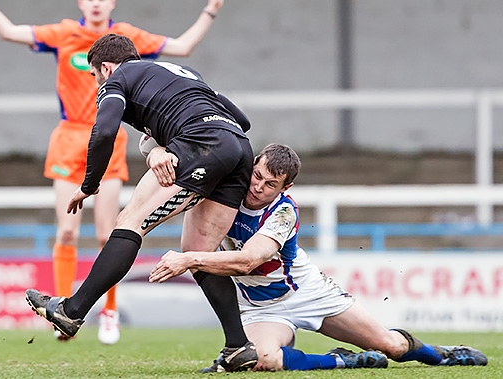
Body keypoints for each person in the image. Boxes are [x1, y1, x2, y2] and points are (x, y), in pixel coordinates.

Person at [0, 0, 225, 345]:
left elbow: (181, 46)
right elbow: (9, 31)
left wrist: (210, 9)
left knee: (107, 232)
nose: (96, 3)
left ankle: (108, 312)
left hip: (109, 139)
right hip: (69, 137)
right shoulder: (64, 34)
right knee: (66, 231)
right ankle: (62, 309)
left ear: (111, 2)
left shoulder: (126, 39)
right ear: (81, 3)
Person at [25, 33, 258, 372]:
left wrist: (89, 186)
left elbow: (104, 131)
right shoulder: (180, 71)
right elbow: (242, 120)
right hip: (239, 149)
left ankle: (71, 310)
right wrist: (163, 143)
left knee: (129, 221)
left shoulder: (117, 78)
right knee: (198, 250)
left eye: (94, 76)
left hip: (200, 143)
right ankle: (238, 347)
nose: (96, 84)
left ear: (105, 67)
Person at [148, 143, 489, 372]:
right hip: (259, 306)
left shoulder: (283, 213)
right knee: (260, 360)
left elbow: (249, 260)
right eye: (257, 175)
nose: (257, 187)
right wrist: (156, 151)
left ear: (286, 189)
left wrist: (188, 258)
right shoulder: (229, 192)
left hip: (308, 294)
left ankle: (442, 356)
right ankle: (340, 362)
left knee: (392, 346)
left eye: (270, 184)